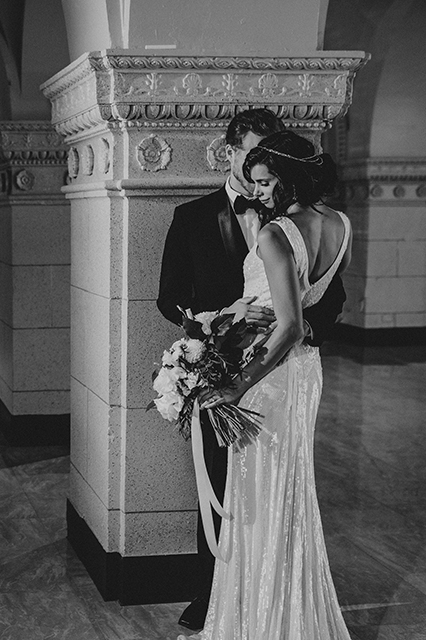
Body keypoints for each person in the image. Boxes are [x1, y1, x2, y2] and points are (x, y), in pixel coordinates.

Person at [156, 109, 347, 632]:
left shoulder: (279, 229)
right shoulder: (194, 217)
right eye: (253, 160)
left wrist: (292, 329)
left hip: (262, 374)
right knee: (242, 488)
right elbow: (170, 299)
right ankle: (220, 593)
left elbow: (313, 308)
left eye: (269, 168)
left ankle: (259, 610)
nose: (259, 179)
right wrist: (218, 323)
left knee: (260, 489)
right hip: (246, 363)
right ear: (232, 152)